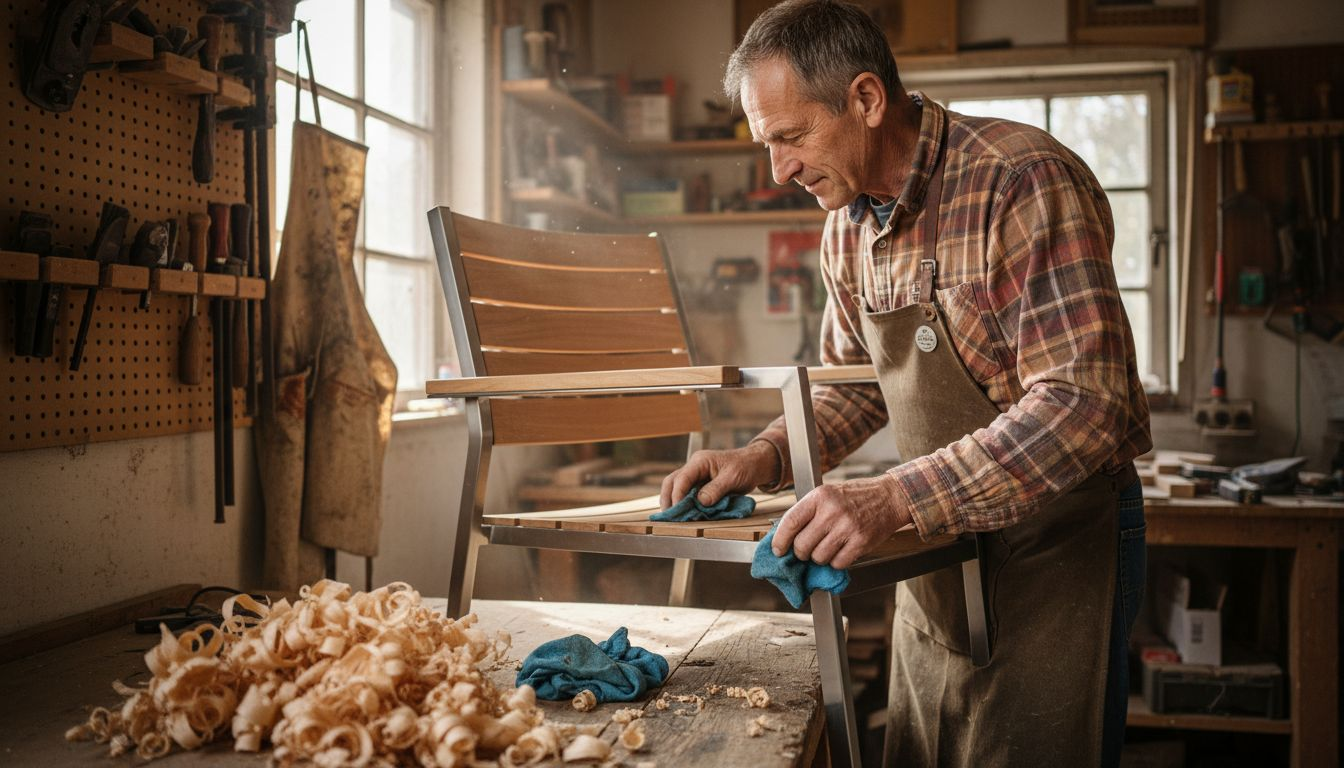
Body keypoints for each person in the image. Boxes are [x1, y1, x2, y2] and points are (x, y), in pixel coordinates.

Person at [658, 1, 1153, 766]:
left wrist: (892, 499)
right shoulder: (846, 223)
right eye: (768, 144)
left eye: (791, 137)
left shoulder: (1018, 180)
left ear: (865, 99)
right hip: (940, 559)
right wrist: (763, 456)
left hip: (1053, 554)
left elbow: (1082, 405)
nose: (778, 170)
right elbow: (855, 387)